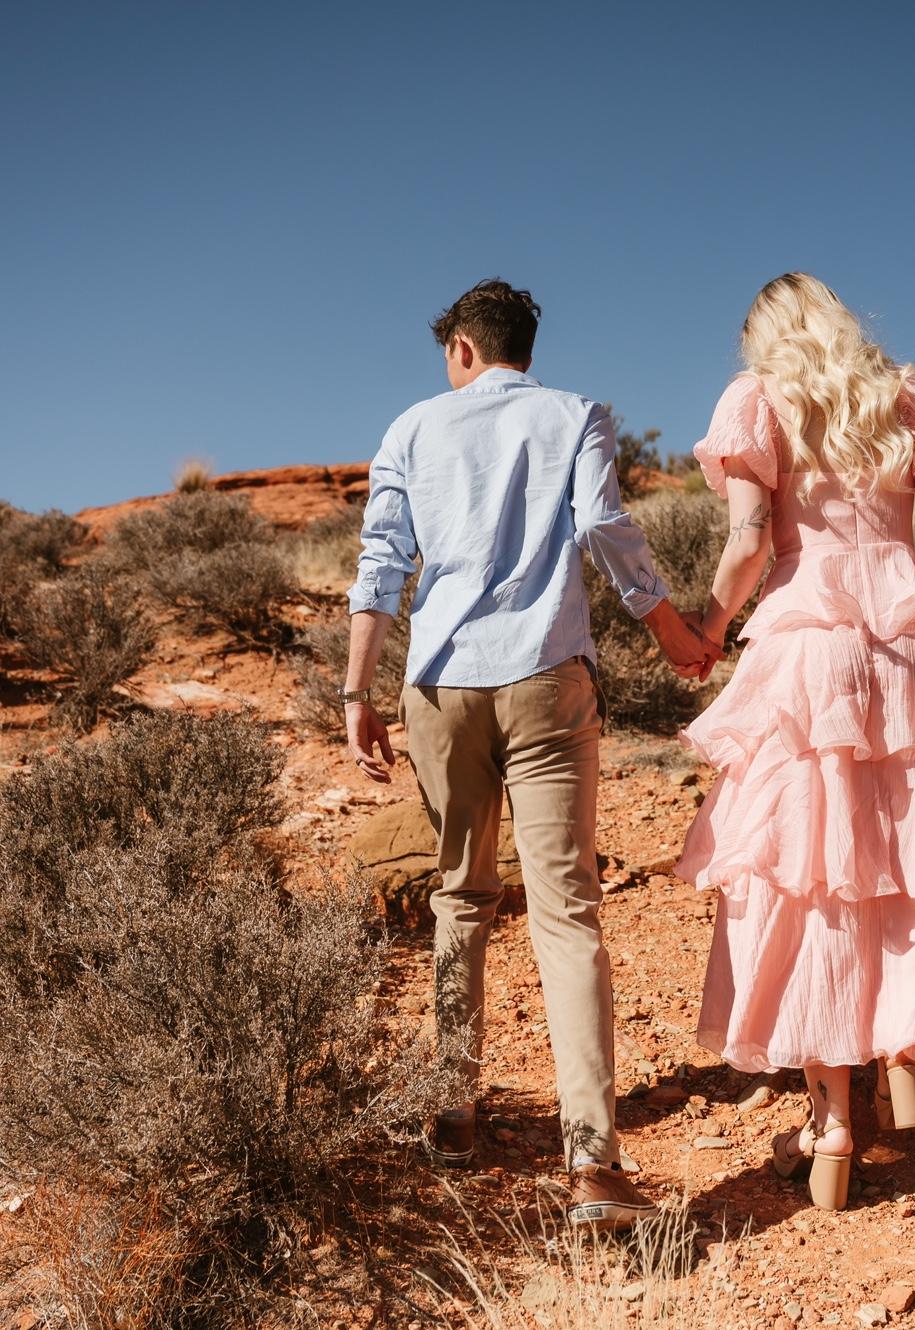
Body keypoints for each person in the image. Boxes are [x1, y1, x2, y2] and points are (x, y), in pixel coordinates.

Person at [343, 278, 721, 1230]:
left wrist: (356, 691)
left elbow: (382, 564)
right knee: (566, 910)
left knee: (460, 895)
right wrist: (670, 629)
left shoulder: (410, 429)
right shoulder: (573, 413)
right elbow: (602, 527)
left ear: (462, 349)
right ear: (523, 348)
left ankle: (452, 1111)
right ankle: (593, 1164)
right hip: (548, 675)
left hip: (441, 686)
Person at [675, 273, 915, 1210]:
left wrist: (705, 628)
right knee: (899, 861)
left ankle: (831, 1123)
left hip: (808, 646)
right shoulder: (905, 395)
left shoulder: (758, 402)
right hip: (907, 642)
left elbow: (748, 541)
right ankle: (900, 1055)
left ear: (766, 337)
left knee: (810, 875)